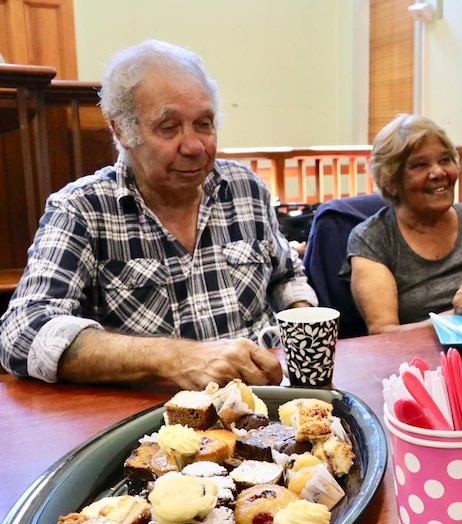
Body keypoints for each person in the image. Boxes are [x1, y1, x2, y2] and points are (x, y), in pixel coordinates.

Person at [0, 40, 318, 389]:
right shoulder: (82, 209)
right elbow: (23, 332)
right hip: (157, 424)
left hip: (268, 403)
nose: (194, 146)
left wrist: (303, 328)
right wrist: (176, 359)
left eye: (204, 123)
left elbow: (285, 276)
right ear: (121, 129)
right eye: (168, 128)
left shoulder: (247, 188)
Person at [343, 114, 462, 334]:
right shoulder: (372, 239)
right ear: (390, 180)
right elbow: (383, 333)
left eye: (445, 160)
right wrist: (453, 318)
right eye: (420, 165)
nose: (439, 172)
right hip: (421, 365)